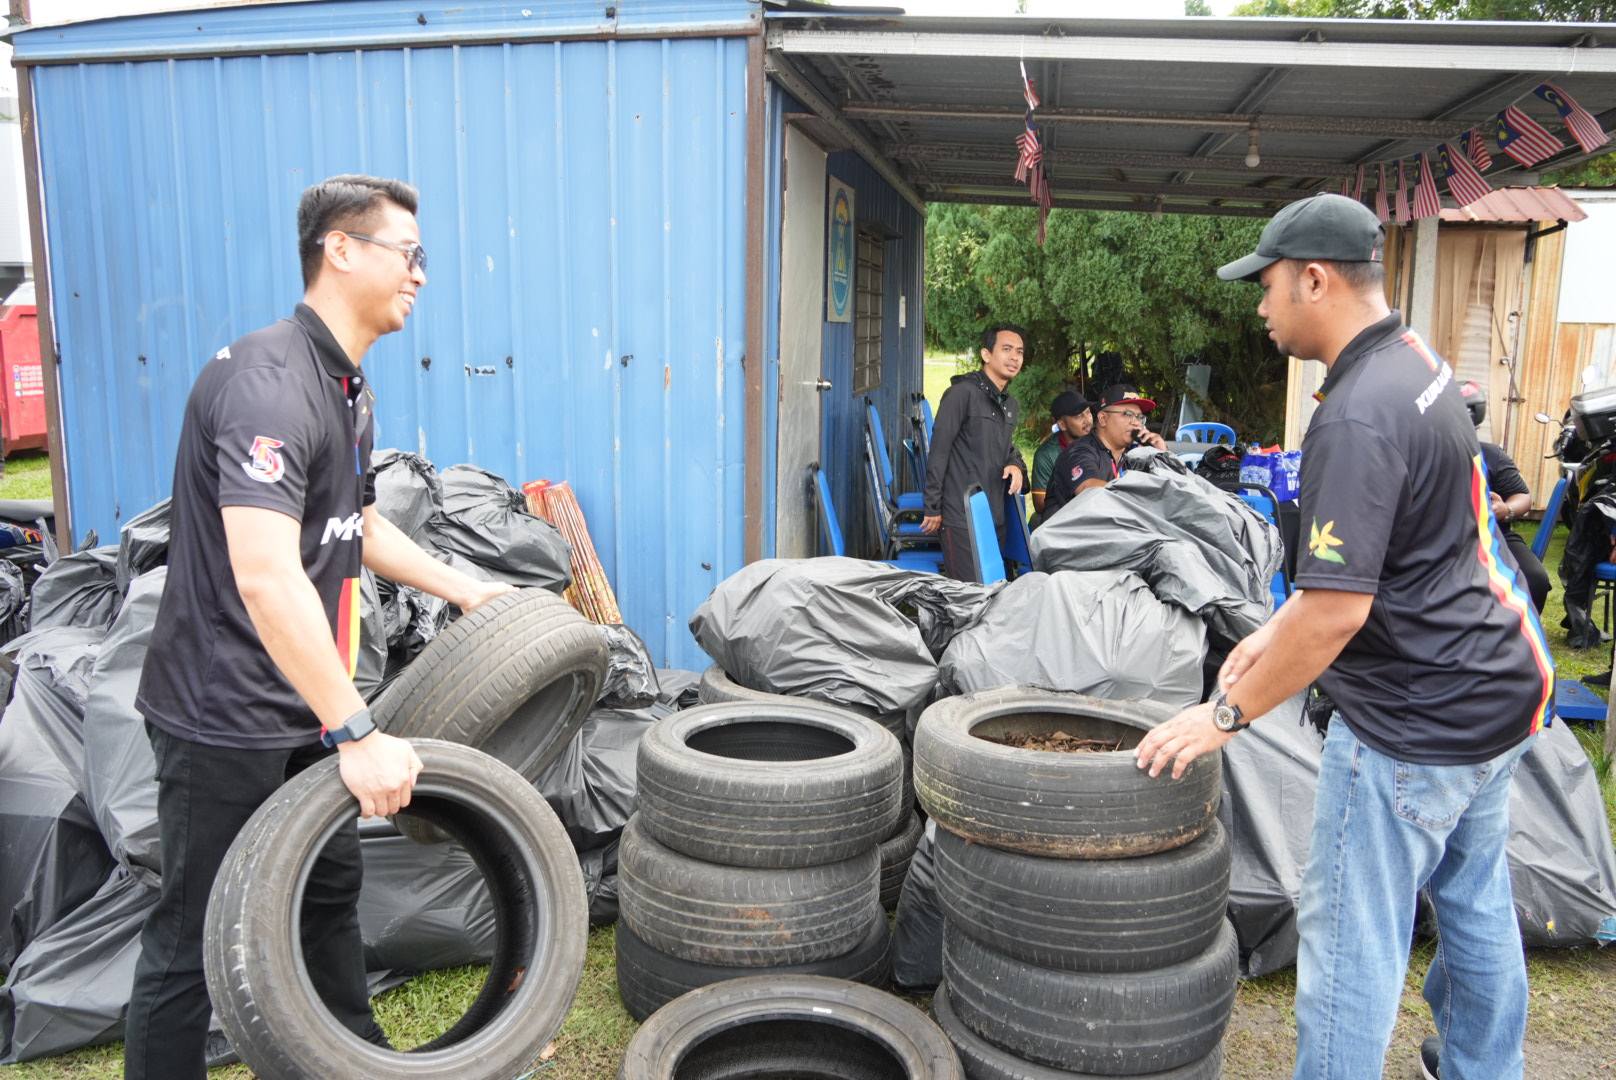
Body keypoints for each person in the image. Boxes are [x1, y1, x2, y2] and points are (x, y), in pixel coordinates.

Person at [1133, 194, 1552, 1080]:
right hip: (1498, 687)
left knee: (1351, 934)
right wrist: (1267, 634)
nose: (1260, 306)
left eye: (1270, 285)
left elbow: (1336, 614)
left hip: (1415, 720)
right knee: (1473, 897)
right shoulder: (1418, 364)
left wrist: (1222, 716)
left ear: (1315, 278)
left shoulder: (1357, 414)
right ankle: (1486, 1067)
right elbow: (1383, 559)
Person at [123, 175, 514, 1080]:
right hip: (222, 711)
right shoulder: (267, 385)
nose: (421, 274)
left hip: (303, 699)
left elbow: (355, 525)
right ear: (341, 250)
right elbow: (265, 575)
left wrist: (465, 589)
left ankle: (352, 1066)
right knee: (195, 931)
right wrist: (356, 729)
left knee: (327, 893)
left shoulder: (344, 384)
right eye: (408, 254)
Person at [921, 323, 1028, 579]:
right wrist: (932, 507)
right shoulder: (961, 394)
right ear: (986, 354)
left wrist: (1015, 464)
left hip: (994, 512)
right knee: (969, 595)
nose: (1015, 357)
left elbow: (1007, 447)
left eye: (1020, 352)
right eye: (1007, 349)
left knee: (992, 588)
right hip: (961, 515)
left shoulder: (1009, 403)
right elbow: (939, 450)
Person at [1459, 380, 1549, 612]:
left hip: (1495, 535)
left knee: (1535, 579)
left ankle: (1522, 638)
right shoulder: (1429, 452)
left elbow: (1522, 497)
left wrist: (1505, 509)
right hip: (1446, 538)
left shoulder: (1491, 455)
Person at [1038, 383, 1167, 522]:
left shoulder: (1131, 456)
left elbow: (1166, 489)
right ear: (1103, 419)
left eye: (1139, 417)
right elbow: (1089, 489)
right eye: (1128, 414)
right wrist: (1142, 497)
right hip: (1068, 539)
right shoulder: (1079, 451)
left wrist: (1161, 455)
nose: (1136, 423)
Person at [1029, 389, 1093, 526]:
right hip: (1063, 520)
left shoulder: (1098, 443)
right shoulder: (1046, 454)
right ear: (1062, 425)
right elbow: (1040, 504)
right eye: (1078, 416)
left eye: (1088, 413)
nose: (1087, 420)